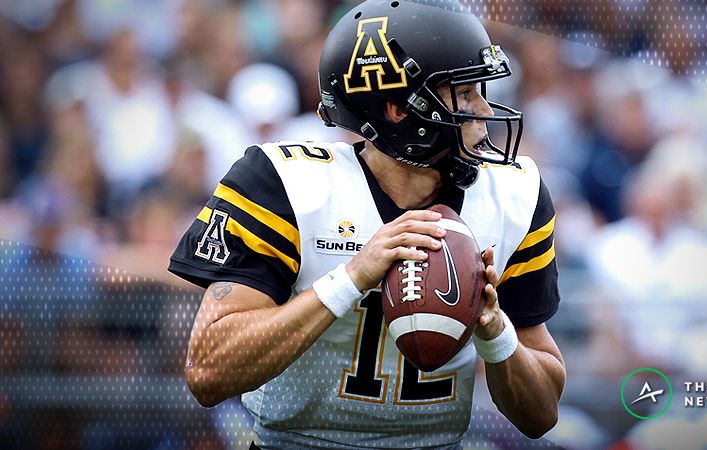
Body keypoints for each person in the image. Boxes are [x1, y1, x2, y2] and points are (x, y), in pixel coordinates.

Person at [168, 1, 565, 448]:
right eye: (466, 93)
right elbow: (208, 372)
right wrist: (352, 278)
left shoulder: (513, 195)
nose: (486, 113)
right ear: (397, 108)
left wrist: (495, 331)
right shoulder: (286, 185)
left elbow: (542, 413)